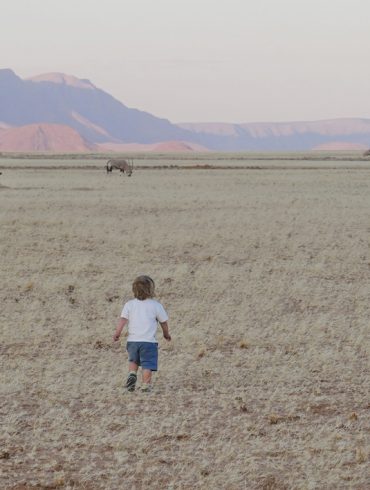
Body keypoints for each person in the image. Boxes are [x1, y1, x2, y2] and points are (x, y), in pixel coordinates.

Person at [113, 275, 171, 392]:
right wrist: (166, 334)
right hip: (149, 342)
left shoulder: (129, 304)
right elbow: (163, 322)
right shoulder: (156, 305)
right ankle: (145, 385)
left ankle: (132, 375)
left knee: (133, 360)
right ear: (151, 290)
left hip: (133, 341)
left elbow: (123, 320)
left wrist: (117, 333)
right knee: (147, 364)